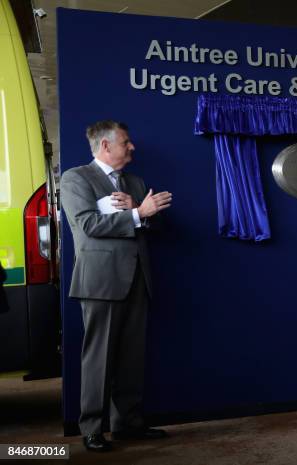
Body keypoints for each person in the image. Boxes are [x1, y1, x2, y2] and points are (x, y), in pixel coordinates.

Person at [61, 121, 172, 452]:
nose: (132, 147)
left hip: (138, 278)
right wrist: (138, 213)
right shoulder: (76, 178)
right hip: (101, 280)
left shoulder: (134, 181)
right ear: (106, 146)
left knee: (131, 357)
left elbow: (153, 223)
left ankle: (127, 425)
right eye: (126, 142)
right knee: (99, 357)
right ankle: (92, 429)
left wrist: (146, 214)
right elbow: (88, 224)